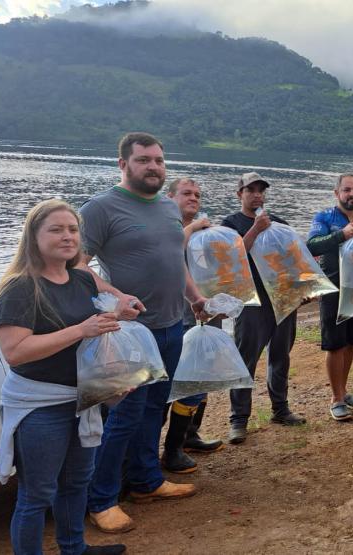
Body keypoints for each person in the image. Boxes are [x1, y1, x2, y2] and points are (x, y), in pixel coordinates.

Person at [81, 132, 206, 534]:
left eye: (158, 160)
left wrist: (196, 298)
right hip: (132, 333)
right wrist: (116, 295)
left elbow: (175, 260)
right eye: (143, 160)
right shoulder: (101, 208)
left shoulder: (170, 208)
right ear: (123, 164)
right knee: (124, 414)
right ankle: (100, 500)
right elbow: (76, 267)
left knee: (156, 407)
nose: (153, 166)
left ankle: (146, 481)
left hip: (171, 326)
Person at [0, 200, 127, 555]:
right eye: (56, 229)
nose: (67, 236)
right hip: (39, 406)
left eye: (72, 229)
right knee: (37, 495)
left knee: (76, 483)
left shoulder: (82, 279)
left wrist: (112, 378)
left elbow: (100, 334)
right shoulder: (20, 288)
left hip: (83, 399)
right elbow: (15, 351)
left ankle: (74, 549)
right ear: (33, 236)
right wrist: (80, 329)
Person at [223, 172, 304, 444]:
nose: (256, 194)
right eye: (250, 190)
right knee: (246, 360)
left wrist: (301, 291)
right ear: (240, 194)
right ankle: (238, 419)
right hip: (251, 303)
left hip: (281, 299)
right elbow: (231, 258)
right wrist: (256, 229)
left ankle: (280, 410)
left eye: (260, 190)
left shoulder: (279, 223)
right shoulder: (230, 224)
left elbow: (293, 260)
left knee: (281, 356)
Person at [306, 173, 353, 421]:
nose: (352, 195)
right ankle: (335, 398)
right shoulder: (325, 217)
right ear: (336, 192)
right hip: (333, 289)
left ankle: (344, 389)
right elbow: (312, 245)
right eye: (347, 190)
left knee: (350, 343)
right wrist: (341, 235)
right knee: (334, 344)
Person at [161, 178, 224, 475]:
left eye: (197, 195)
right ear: (169, 197)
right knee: (170, 384)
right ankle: (166, 450)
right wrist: (194, 228)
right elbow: (170, 250)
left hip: (202, 315)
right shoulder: (165, 225)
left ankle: (187, 437)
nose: (193, 198)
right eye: (186, 193)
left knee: (198, 383)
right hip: (172, 318)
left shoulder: (204, 234)